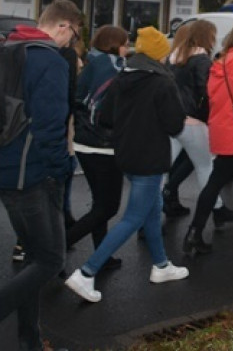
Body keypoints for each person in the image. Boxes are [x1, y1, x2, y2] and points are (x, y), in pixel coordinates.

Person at [64, 27, 188, 304]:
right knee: (133, 217)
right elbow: (175, 125)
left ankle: (161, 265)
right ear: (158, 54)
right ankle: (86, 272)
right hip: (150, 157)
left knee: (152, 209)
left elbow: (106, 117)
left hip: (125, 154)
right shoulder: (163, 82)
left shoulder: (123, 76)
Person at [0, 0, 82, 350]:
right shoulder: (49, 60)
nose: (71, 44)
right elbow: (50, 127)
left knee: (34, 258)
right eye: (74, 36)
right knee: (50, 259)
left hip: (7, 171)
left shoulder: (10, 48)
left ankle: (29, 340)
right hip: (32, 175)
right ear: (63, 26)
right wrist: (61, 170)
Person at [182, 22, 233, 257]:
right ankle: (194, 232)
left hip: (221, 128)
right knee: (217, 182)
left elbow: (211, 96)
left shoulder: (219, 63)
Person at [169, 20, 233, 231]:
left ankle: (150, 215)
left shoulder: (175, 58)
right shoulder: (202, 60)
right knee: (205, 167)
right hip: (195, 121)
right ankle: (217, 209)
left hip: (174, 117)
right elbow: (207, 92)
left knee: (163, 167)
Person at [65, 25, 130, 265]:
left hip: (84, 142)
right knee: (108, 207)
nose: (127, 48)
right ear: (116, 45)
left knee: (100, 203)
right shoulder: (114, 67)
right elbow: (115, 108)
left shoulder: (91, 63)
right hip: (104, 144)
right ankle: (61, 245)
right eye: (125, 43)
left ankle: (101, 256)